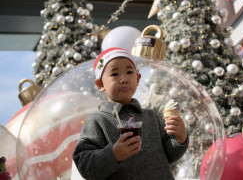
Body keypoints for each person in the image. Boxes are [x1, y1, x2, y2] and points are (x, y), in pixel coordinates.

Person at [73, 47, 188, 180]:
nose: (124, 79)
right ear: (100, 84)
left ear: (138, 79)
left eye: (129, 72)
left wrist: (180, 138)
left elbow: (169, 155)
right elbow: (84, 165)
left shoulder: (151, 116)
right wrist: (114, 154)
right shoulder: (97, 121)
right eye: (115, 74)